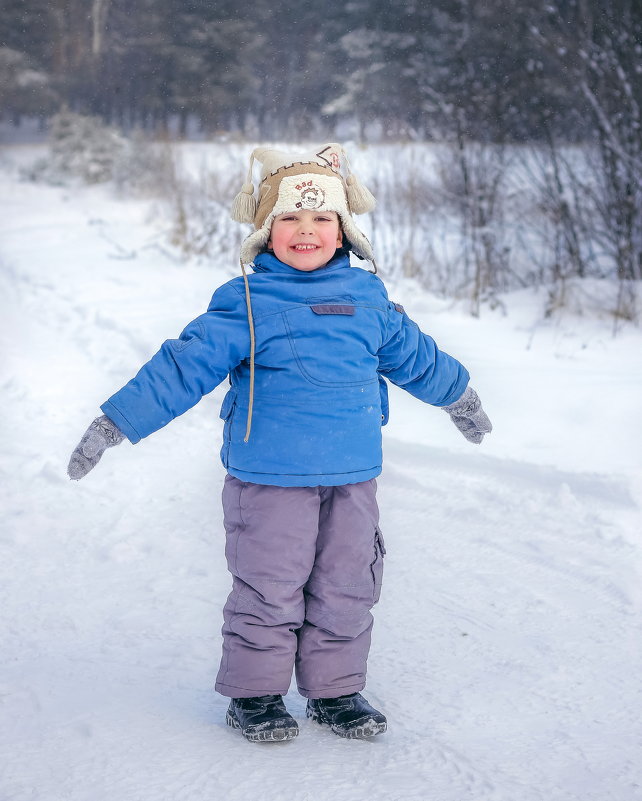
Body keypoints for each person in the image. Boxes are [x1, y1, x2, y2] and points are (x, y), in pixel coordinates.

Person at [68, 143, 492, 743]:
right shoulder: (245, 301)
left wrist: (460, 396)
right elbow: (181, 368)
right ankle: (256, 695)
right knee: (269, 586)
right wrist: (116, 423)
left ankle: (336, 691)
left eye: (322, 219)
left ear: (343, 233)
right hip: (268, 480)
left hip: (352, 476)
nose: (306, 231)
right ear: (266, 232)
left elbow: (416, 357)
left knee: (349, 583)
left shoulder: (370, 301)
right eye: (289, 218)